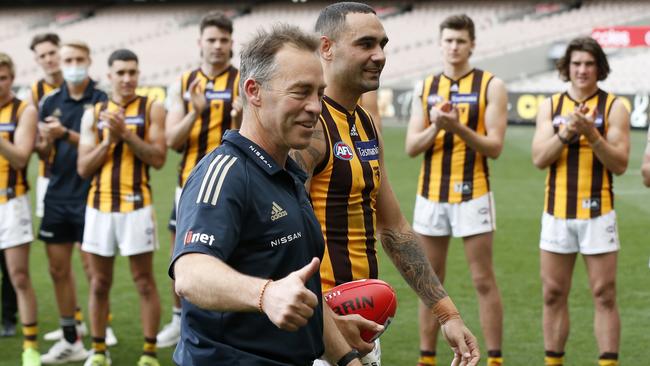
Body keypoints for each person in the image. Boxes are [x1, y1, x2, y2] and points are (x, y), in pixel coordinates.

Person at [290, 3, 479, 366]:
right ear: (326, 48)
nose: (379, 56)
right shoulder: (309, 125)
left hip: (363, 324)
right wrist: (329, 330)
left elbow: (392, 227)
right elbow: (279, 236)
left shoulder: (365, 124)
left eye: (382, 44)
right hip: (318, 328)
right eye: (365, 44)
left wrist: (448, 314)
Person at [170, 23, 362, 366]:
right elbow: (190, 272)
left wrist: (347, 359)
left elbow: (300, 293)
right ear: (254, 91)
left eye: (319, 93)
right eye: (301, 92)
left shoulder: (288, 173)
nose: (316, 107)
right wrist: (264, 294)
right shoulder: (226, 172)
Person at [404, 14, 507, 366]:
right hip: (431, 194)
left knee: (482, 278)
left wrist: (458, 127)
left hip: (473, 192)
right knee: (430, 282)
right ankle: (427, 358)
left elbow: (494, 147)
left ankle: (494, 358)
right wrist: (437, 127)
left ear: (472, 44)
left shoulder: (491, 85)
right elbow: (412, 146)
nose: (453, 47)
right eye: (448, 40)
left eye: (460, 41)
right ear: (440, 43)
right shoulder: (427, 85)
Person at [531, 37, 629, 366]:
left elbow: (619, 163)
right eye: (576, 64)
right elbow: (539, 158)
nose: (582, 70)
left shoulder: (614, 107)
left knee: (604, 294)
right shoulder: (551, 106)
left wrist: (593, 134)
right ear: (566, 68)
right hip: (556, 213)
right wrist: (567, 132)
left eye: (589, 64)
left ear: (599, 67)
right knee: (553, 293)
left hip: (598, 214)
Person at [78, 49, 166, 366]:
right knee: (99, 283)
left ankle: (149, 353)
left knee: (144, 281)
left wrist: (126, 134)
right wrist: (109, 141)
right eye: (121, 73)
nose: (127, 78)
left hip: (137, 206)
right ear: (110, 75)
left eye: (132, 72)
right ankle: (99, 351)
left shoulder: (152, 108)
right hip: (99, 207)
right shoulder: (94, 112)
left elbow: (158, 159)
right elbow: (83, 168)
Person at [158, 10, 241, 349]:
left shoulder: (243, 79)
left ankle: (230, 323)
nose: (218, 46)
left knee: (233, 254)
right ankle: (180, 320)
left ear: (231, 44)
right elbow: (171, 141)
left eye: (224, 40)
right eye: (212, 40)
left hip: (233, 184)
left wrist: (237, 116)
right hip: (190, 184)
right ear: (200, 43)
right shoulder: (184, 82)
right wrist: (195, 110)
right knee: (183, 253)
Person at [37, 40, 109, 364]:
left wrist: (64, 134)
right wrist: (45, 140)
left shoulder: (102, 99)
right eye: (68, 59)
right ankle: (70, 338)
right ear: (60, 63)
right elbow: (41, 151)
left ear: (89, 60)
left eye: (79, 58)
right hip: (56, 193)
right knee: (57, 269)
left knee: (93, 270)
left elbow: (104, 145)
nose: (73, 64)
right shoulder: (50, 101)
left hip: (90, 193)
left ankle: (100, 333)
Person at [0, 52, 40, 366]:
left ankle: (29, 346)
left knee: (19, 276)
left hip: (11, 202)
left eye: (3, 77)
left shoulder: (23, 111)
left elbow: (21, 158)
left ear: (12, 78)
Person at [27, 33, 64, 219]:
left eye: (52, 53)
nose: (49, 59)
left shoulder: (83, 86)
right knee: (54, 238)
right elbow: (34, 142)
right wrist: (44, 140)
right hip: (49, 173)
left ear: (61, 51)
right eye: (42, 56)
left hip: (81, 173)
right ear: (36, 60)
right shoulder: (35, 92)